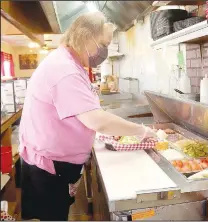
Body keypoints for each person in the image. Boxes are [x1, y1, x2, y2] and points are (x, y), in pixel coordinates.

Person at [19, 12, 156, 221]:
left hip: (53, 165)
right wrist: (142, 130)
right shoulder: (65, 70)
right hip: (48, 169)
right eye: (103, 43)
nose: (105, 51)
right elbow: (96, 120)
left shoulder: (70, 63)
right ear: (85, 37)